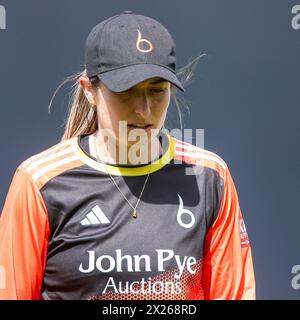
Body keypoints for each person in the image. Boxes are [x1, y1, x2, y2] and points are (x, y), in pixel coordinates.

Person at [0, 11, 255, 300]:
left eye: (157, 91)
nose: (144, 110)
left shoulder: (208, 176)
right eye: (126, 92)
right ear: (89, 91)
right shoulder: (39, 181)